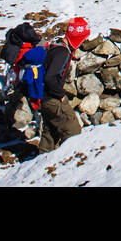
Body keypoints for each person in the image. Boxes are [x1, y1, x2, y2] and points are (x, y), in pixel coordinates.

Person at [36, 16, 89, 153]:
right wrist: (60, 96)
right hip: (53, 98)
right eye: (83, 38)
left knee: (50, 131)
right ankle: (68, 162)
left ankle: (40, 163)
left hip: (44, 98)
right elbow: (50, 77)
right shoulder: (62, 53)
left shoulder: (56, 46)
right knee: (73, 131)